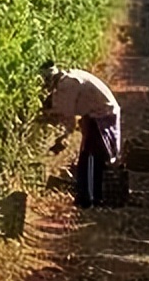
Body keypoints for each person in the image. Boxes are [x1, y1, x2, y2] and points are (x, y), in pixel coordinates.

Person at [42, 63, 122, 208]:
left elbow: (66, 115)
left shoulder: (68, 84)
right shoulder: (69, 77)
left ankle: (90, 199)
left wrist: (58, 135)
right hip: (96, 114)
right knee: (88, 157)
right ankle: (86, 197)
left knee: (92, 157)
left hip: (101, 114)